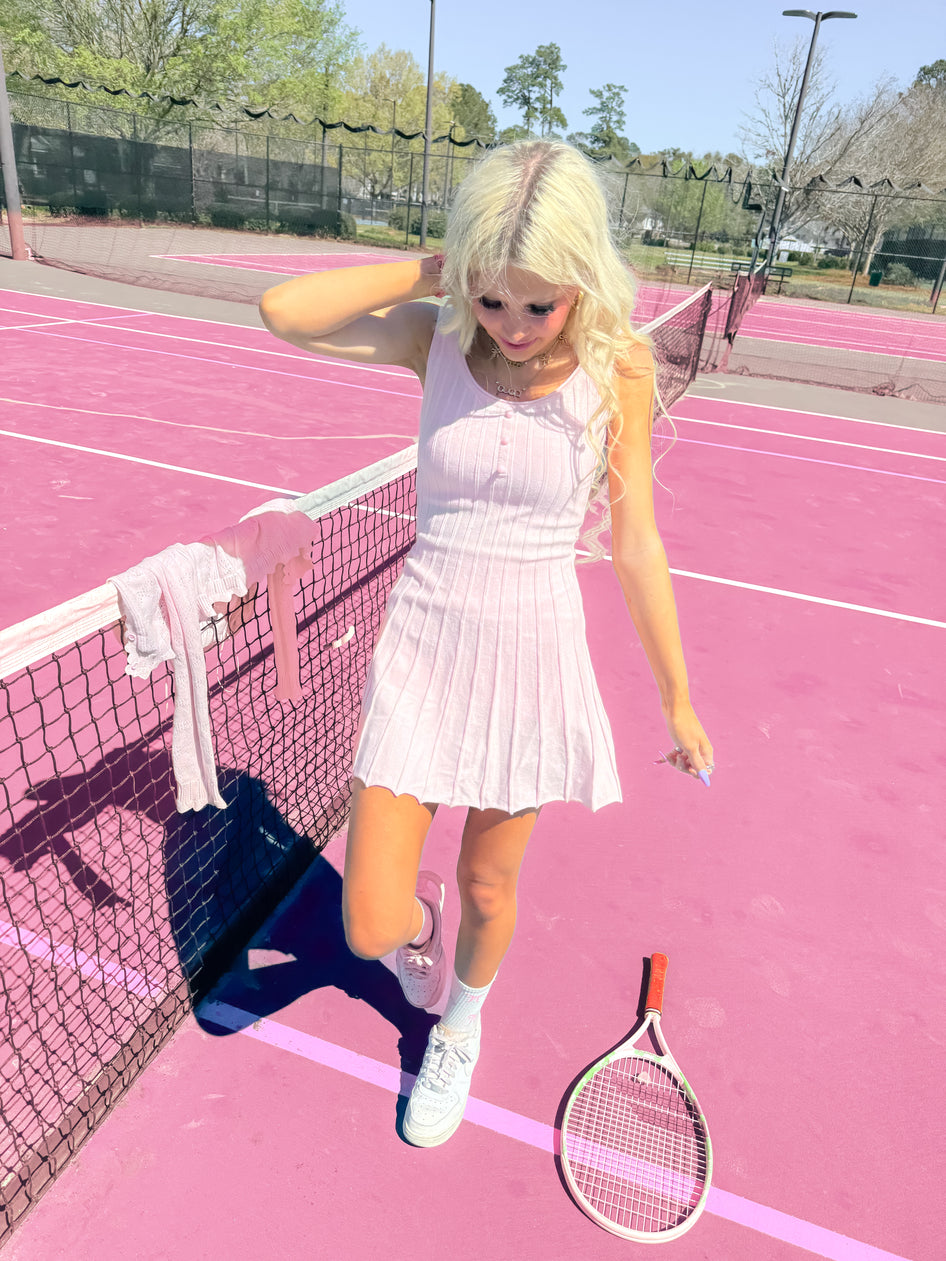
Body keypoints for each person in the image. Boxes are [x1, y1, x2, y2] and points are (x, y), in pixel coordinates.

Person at [258, 139, 713, 1148]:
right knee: (371, 921)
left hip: (531, 649)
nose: (508, 325)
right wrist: (435, 271)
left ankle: (457, 1028)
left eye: (536, 304)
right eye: (492, 297)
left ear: (581, 284)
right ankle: (422, 951)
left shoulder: (618, 368)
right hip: (423, 641)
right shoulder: (436, 335)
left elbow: (635, 542)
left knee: (490, 884)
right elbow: (282, 310)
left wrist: (678, 697)